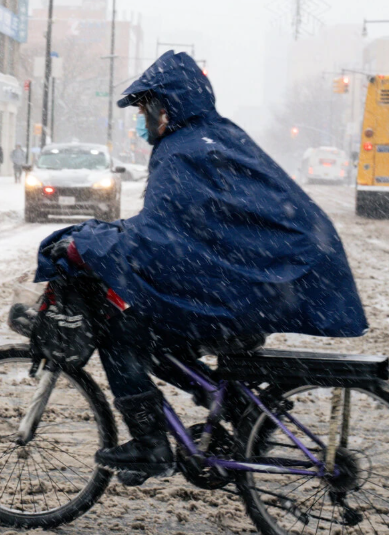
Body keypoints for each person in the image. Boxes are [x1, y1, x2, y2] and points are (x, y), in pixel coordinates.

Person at [33, 51, 367, 484]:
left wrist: (88, 244)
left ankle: (151, 444)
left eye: (144, 109)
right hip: (256, 290)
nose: (142, 120)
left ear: (165, 107)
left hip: (240, 296)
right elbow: (181, 227)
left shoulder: (181, 153)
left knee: (121, 333)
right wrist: (107, 235)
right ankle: (237, 407)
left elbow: (160, 238)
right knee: (157, 338)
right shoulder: (212, 136)